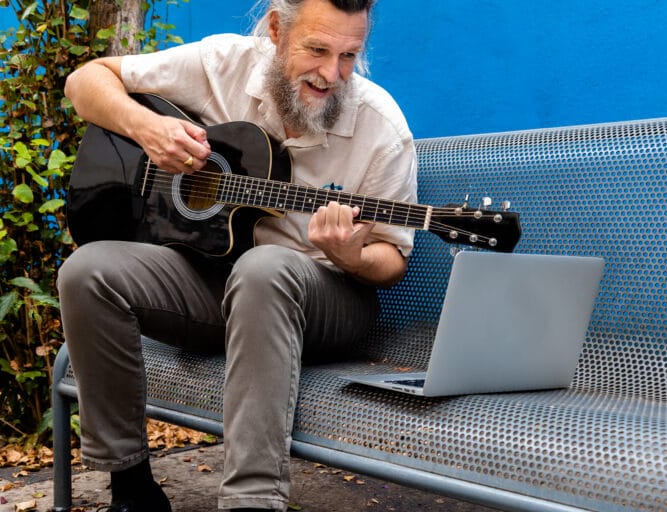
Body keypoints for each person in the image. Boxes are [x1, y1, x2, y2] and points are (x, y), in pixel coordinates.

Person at [58, 0, 417, 510]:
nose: (330, 74)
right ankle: (131, 488)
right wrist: (147, 128)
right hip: (221, 284)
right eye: (317, 49)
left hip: (326, 298)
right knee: (88, 272)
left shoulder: (381, 129)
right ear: (275, 28)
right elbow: (85, 82)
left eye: (348, 56)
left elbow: (393, 260)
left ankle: (251, 501)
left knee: (265, 267)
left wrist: (353, 254)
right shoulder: (222, 64)